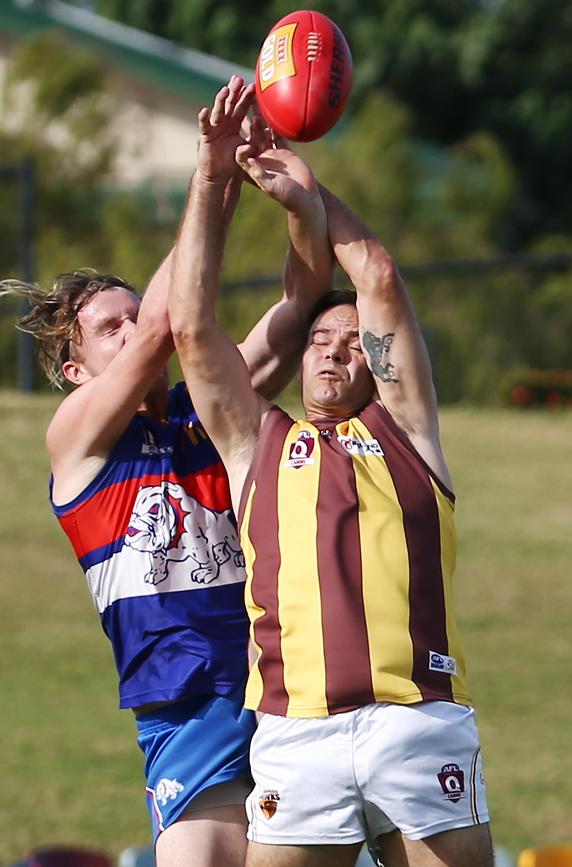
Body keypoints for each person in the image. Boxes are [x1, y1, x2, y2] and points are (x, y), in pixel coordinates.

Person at [0, 76, 333, 867]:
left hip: (287, 681)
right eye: (105, 328)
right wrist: (211, 176)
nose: (129, 332)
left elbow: (300, 304)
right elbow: (164, 324)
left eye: (128, 314)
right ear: (77, 369)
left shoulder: (207, 408)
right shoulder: (76, 439)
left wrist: (291, 200)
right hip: (187, 706)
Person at [169, 108, 494, 867]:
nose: (335, 352)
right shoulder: (257, 441)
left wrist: (309, 199)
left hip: (412, 720)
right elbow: (191, 327)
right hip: (298, 729)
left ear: (374, 361)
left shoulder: (406, 427)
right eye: (320, 338)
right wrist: (213, 172)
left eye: (353, 342)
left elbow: (375, 271)